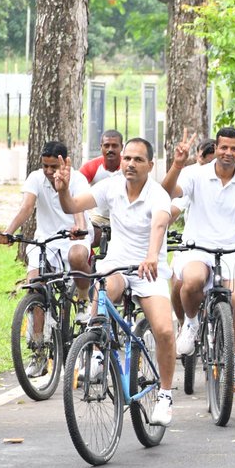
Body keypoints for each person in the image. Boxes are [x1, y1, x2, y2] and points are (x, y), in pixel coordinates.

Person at [52, 138, 178, 426]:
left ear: (150, 165)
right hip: (119, 265)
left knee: (164, 331)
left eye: (138, 159)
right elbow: (73, 204)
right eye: (127, 159)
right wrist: (62, 191)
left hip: (150, 270)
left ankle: (165, 396)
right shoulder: (111, 186)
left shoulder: (158, 194)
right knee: (105, 288)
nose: (130, 164)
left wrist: (150, 256)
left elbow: (159, 225)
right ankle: (97, 351)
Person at [164, 128, 235, 387]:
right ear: (217, 148)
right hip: (197, 248)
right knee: (192, 281)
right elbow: (168, 191)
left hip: (232, 250)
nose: (228, 153)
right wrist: (177, 166)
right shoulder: (195, 174)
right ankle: (190, 324)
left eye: (234, 149)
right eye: (224, 147)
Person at [0, 141, 93, 358]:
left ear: (65, 162)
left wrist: (79, 228)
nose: (49, 172)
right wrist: (8, 232)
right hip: (46, 240)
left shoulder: (77, 179)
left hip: (74, 236)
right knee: (35, 285)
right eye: (45, 166)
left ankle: (84, 300)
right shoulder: (35, 178)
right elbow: (26, 207)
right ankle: (38, 350)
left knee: (77, 256)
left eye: (54, 167)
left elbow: (78, 207)